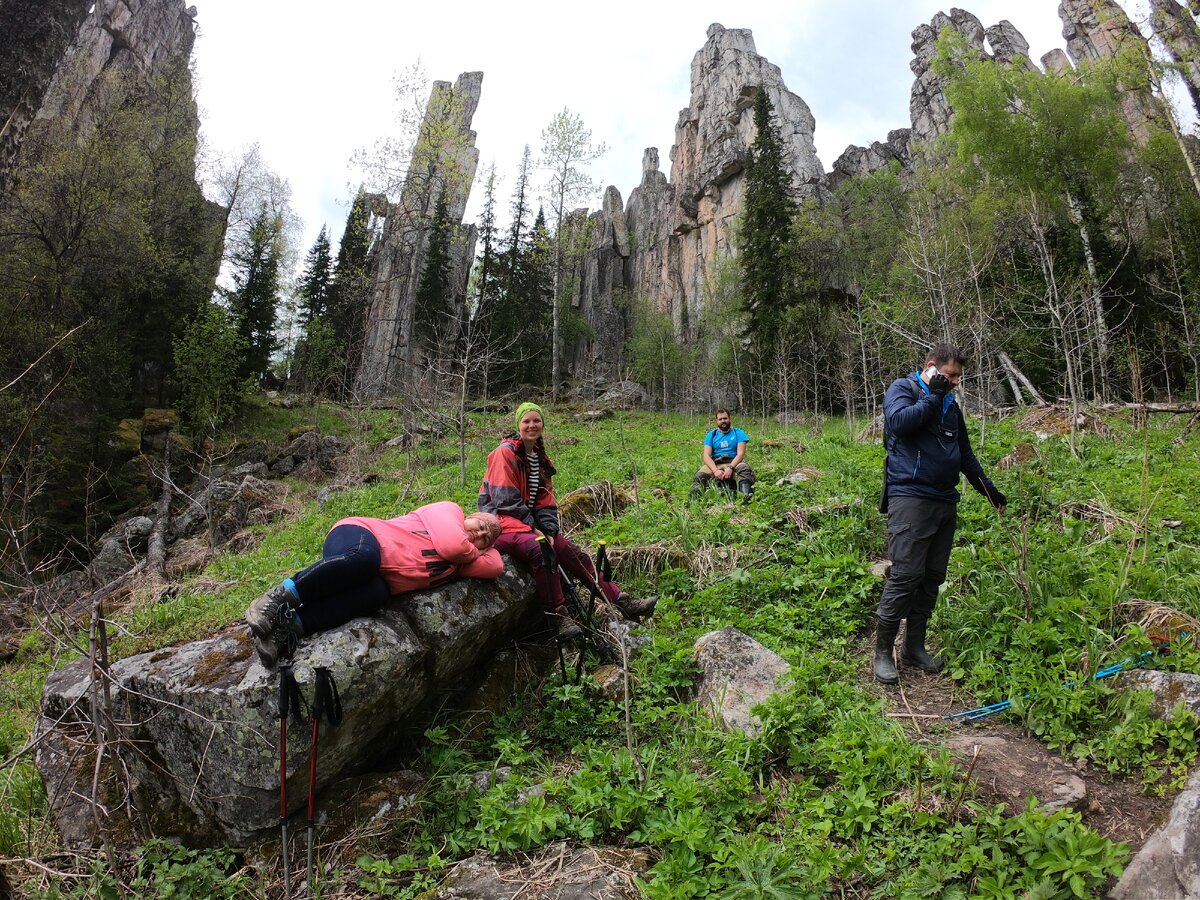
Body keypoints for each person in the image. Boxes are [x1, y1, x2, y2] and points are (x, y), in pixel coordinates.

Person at [874, 343, 1007, 685]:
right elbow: (900, 424)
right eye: (951, 376)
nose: (956, 383)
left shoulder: (951, 406)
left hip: (944, 501)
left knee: (932, 577)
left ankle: (913, 648)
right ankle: (882, 652)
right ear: (932, 368)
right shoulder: (903, 389)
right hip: (910, 497)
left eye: (959, 378)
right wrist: (932, 396)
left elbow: (965, 455)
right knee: (905, 575)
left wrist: (989, 490)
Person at [245, 502, 504, 669]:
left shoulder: (464, 561)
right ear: (469, 516)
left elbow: (496, 567)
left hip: (373, 577)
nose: (478, 534)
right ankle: (278, 598)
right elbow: (452, 545)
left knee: (376, 594)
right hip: (358, 536)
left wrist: (483, 550)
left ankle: (290, 626)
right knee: (366, 560)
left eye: (485, 538)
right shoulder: (449, 512)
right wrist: (475, 551)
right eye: (479, 525)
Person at [478, 401, 655, 638]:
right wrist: (535, 529)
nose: (532, 425)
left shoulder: (541, 459)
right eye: (526, 421)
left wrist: (549, 529)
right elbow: (504, 499)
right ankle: (558, 616)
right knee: (541, 551)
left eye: (536, 420)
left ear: (543, 424)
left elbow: (546, 500)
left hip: (527, 523)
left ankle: (621, 601)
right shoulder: (505, 453)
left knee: (574, 554)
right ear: (518, 425)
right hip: (501, 523)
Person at [690, 409, 755, 503]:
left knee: (745, 470)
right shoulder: (711, 435)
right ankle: (694, 501)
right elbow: (706, 456)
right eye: (720, 419)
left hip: (734, 461)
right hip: (715, 463)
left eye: (725, 418)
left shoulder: (739, 433)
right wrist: (715, 471)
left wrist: (730, 467)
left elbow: (741, 454)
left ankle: (746, 498)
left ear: (730, 418)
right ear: (717, 421)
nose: (723, 421)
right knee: (700, 476)